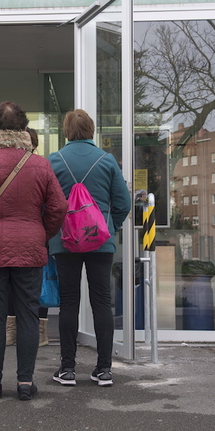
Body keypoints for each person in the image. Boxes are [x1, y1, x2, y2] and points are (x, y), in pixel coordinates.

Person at [0, 101, 67, 401]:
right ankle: (25, 383)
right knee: (28, 315)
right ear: (23, 130)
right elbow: (59, 206)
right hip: (29, 249)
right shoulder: (40, 164)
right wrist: (40, 233)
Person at [48, 109, 131, 387]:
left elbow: (47, 205)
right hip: (100, 243)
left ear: (66, 131)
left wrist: (54, 232)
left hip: (65, 242)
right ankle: (104, 369)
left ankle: (67, 369)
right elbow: (123, 203)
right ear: (92, 130)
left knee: (69, 302)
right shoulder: (107, 161)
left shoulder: (54, 161)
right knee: (101, 302)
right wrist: (109, 228)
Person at [6, 127, 50, 347]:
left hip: (11, 236)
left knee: (12, 285)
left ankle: (12, 333)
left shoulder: (7, 167)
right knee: (38, 287)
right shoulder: (42, 167)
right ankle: (38, 334)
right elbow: (54, 205)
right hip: (37, 235)